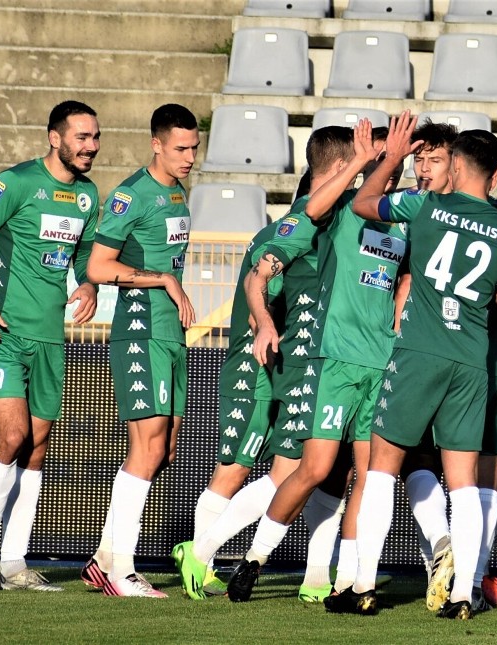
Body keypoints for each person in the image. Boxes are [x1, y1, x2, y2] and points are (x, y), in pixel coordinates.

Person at [325, 111, 497, 619]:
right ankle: (464, 593)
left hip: (419, 352)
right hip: (472, 363)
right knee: (463, 481)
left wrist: (391, 157)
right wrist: (487, 292)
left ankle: (361, 585)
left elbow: (362, 203)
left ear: (460, 167)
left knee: (382, 467)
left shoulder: (426, 205)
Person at [225, 121, 411, 604]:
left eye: (395, 171)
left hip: (379, 365)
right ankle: (254, 560)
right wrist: (369, 160)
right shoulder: (344, 211)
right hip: (336, 361)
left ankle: (350, 581)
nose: (390, 180)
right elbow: (310, 207)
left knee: (368, 480)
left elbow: (404, 280)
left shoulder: (402, 224)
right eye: (384, 171)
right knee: (313, 468)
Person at [174, 126, 359, 603]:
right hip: (269, 363)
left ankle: (315, 575)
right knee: (262, 469)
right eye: (361, 164)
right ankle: (203, 551)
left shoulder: (340, 225)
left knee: (320, 470)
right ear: (341, 168)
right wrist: (262, 324)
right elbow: (261, 281)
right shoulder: (296, 224)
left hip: (316, 363)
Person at [400, 122, 497, 612]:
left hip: (484, 358)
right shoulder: (419, 209)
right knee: (416, 459)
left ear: (456, 164)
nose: (427, 169)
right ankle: (444, 558)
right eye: (420, 161)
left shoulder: (492, 215)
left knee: (492, 465)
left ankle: (472, 569)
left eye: (435, 160)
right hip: (432, 351)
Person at [0, 100, 102, 591]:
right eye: (82, 137)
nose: (91, 146)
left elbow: (81, 255)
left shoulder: (87, 197)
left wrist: (88, 285)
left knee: (36, 449)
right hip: (4, 332)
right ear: (54, 138)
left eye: (95, 137)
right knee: (12, 435)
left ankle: (15, 563)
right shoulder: (15, 182)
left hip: (50, 339)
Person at [79, 103, 198, 598]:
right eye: (180, 148)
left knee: (164, 448)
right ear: (156, 143)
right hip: (141, 329)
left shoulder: (177, 190)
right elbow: (98, 267)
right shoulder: (133, 194)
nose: (190, 157)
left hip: (170, 335)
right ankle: (121, 568)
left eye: (194, 148)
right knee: (148, 445)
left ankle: (105, 558)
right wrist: (162, 279)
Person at [170, 214, 287, 599]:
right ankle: (199, 560)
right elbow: (262, 310)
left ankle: (326, 572)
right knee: (234, 469)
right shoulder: (280, 239)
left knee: (296, 470)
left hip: (281, 371)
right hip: (253, 372)